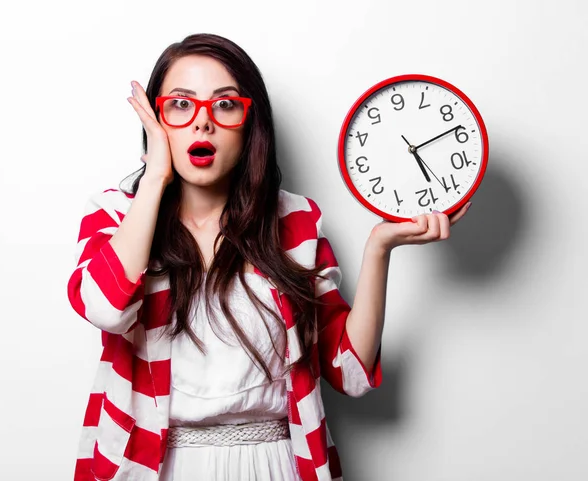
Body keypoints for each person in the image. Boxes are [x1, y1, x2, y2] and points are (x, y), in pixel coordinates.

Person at [67, 33, 469, 481]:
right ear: (155, 120)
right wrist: (156, 176)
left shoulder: (295, 220)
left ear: (249, 121)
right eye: (181, 105)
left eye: (225, 104)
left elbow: (352, 374)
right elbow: (105, 307)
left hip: (274, 464)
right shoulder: (119, 215)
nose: (203, 123)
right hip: (156, 467)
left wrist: (380, 248)